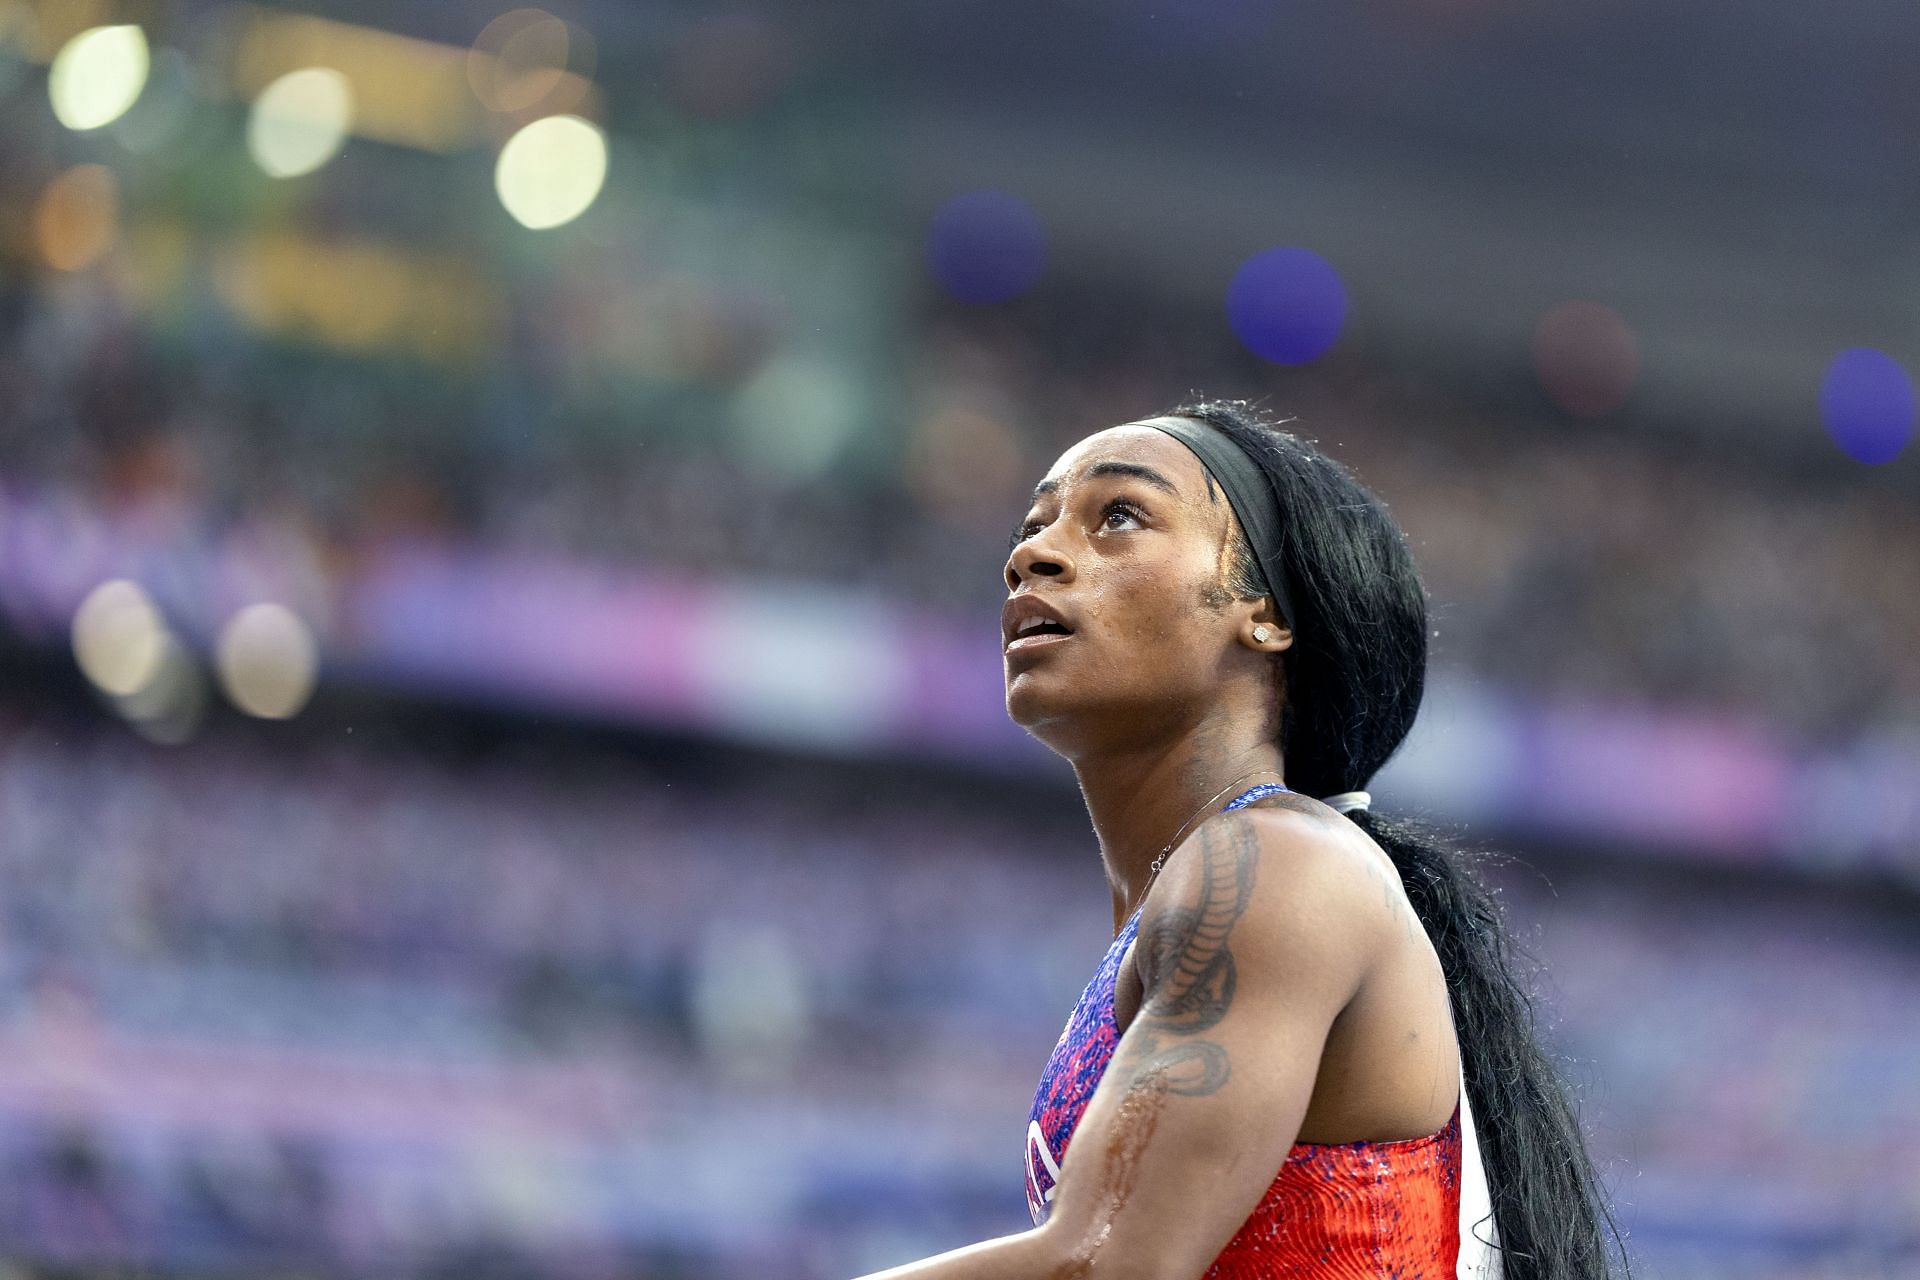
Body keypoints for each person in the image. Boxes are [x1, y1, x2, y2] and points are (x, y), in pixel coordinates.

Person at [858, 402, 1621, 1279]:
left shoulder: (1274, 865)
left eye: (1119, 517)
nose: (1031, 553)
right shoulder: (1205, 890)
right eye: (1035, 525)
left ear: (1266, 613)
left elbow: (1106, 1268)